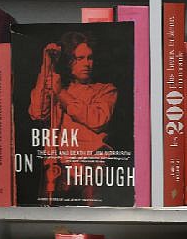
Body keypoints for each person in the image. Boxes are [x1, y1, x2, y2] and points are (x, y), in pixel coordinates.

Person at [27, 32, 119, 203]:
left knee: (94, 214)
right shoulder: (58, 86)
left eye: (90, 58)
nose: (86, 63)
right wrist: (46, 66)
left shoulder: (105, 90)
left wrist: (61, 94)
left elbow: (97, 119)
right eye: (79, 58)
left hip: (90, 168)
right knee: (48, 213)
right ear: (69, 61)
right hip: (56, 167)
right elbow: (37, 112)